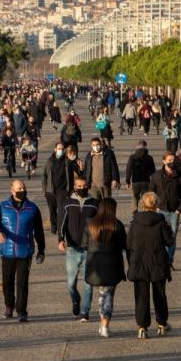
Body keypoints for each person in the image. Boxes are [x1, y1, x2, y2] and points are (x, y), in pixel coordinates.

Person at [0, 180, 46, 322]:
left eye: (23, 188)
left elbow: (39, 231)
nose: (22, 190)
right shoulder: (3, 207)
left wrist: (41, 250)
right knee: (7, 281)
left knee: (22, 283)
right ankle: (9, 306)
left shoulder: (32, 208)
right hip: (7, 251)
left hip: (25, 251)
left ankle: (21, 310)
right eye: (18, 188)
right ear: (12, 191)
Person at [126, 192, 174, 339]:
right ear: (156, 205)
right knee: (160, 294)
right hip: (158, 261)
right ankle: (161, 324)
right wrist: (168, 228)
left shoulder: (134, 221)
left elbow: (128, 244)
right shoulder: (162, 220)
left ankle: (142, 326)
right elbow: (169, 241)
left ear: (142, 204)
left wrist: (131, 261)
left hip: (139, 262)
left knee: (141, 296)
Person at [85, 198, 127, 338]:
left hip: (95, 265)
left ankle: (101, 323)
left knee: (102, 294)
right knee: (108, 295)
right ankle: (104, 324)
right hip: (112, 265)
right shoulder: (116, 225)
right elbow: (124, 244)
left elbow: (84, 243)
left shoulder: (91, 224)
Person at [58, 178, 99, 321]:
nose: (82, 188)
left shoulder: (94, 204)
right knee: (71, 284)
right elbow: (62, 222)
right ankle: (76, 300)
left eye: (84, 186)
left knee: (88, 283)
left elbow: (98, 225)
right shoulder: (68, 203)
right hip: (72, 248)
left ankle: (85, 312)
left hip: (89, 248)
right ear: (74, 187)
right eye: (79, 186)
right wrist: (60, 239)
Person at [148, 151, 181, 266]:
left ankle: (169, 260)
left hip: (174, 211)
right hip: (160, 210)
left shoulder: (180, 176)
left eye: (173, 160)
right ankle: (163, 259)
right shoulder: (156, 176)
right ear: (164, 161)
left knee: (172, 237)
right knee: (161, 236)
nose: (172, 162)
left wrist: (179, 209)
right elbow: (151, 193)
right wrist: (154, 207)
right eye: (169, 160)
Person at [42, 142, 72, 234]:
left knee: (61, 210)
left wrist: (70, 190)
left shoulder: (67, 161)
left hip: (62, 191)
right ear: (55, 149)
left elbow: (72, 176)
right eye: (59, 148)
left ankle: (60, 227)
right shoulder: (50, 161)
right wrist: (45, 191)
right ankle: (53, 225)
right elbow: (44, 176)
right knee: (52, 210)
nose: (61, 150)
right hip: (51, 190)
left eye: (62, 149)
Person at [125, 140, 156, 214]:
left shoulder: (132, 157)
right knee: (145, 198)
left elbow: (128, 169)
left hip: (135, 181)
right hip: (146, 181)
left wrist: (127, 181)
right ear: (145, 146)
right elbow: (153, 170)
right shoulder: (149, 157)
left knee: (135, 198)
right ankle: (144, 212)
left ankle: (134, 212)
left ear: (137, 146)